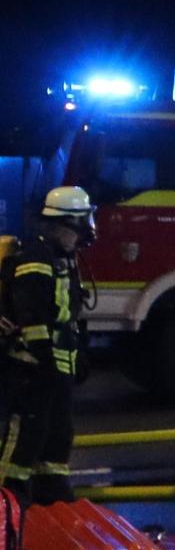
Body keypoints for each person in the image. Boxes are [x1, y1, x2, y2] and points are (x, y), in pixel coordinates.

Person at [0, 186, 95, 504]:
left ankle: (52, 500)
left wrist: (77, 352)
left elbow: (67, 316)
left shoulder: (62, 259)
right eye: (79, 225)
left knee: (57, 435)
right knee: (24, 439)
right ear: (60, 224)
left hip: (56, 368)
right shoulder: (36, 259)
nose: (82, 233)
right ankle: (8, 505)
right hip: (32, 368)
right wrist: (46, 361)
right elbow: (33, 316)